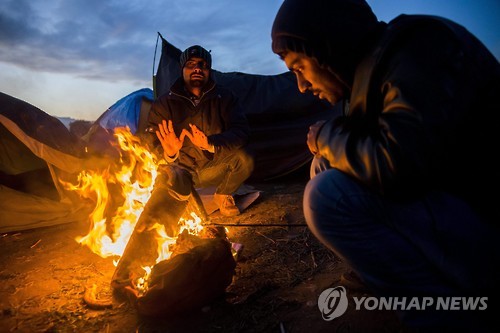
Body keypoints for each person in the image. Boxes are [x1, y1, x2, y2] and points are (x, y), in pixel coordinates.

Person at [271, 0, 500, 331]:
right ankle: (390, 273)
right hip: (459, 210)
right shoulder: (375, 70)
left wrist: (329, 133)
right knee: (324, 165)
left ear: (327, 48)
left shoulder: (419, 47)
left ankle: (441, 315)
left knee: (327, 195)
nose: (302, 86)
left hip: (487, 226)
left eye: (299, 67)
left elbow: (397, 165)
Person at [144, 44, 254, 223]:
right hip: (181, 169)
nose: (197, 68)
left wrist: (210, 143)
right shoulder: (164, 103)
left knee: (244, 159)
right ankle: (180, 204)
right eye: (191, 64)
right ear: (182, 69)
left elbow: (241, 131)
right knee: (164, 204)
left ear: (209, 70)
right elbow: (151, 142)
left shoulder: (225, 98)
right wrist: (170, 153)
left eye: (203, 65)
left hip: (212, 165)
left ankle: (223, 194)